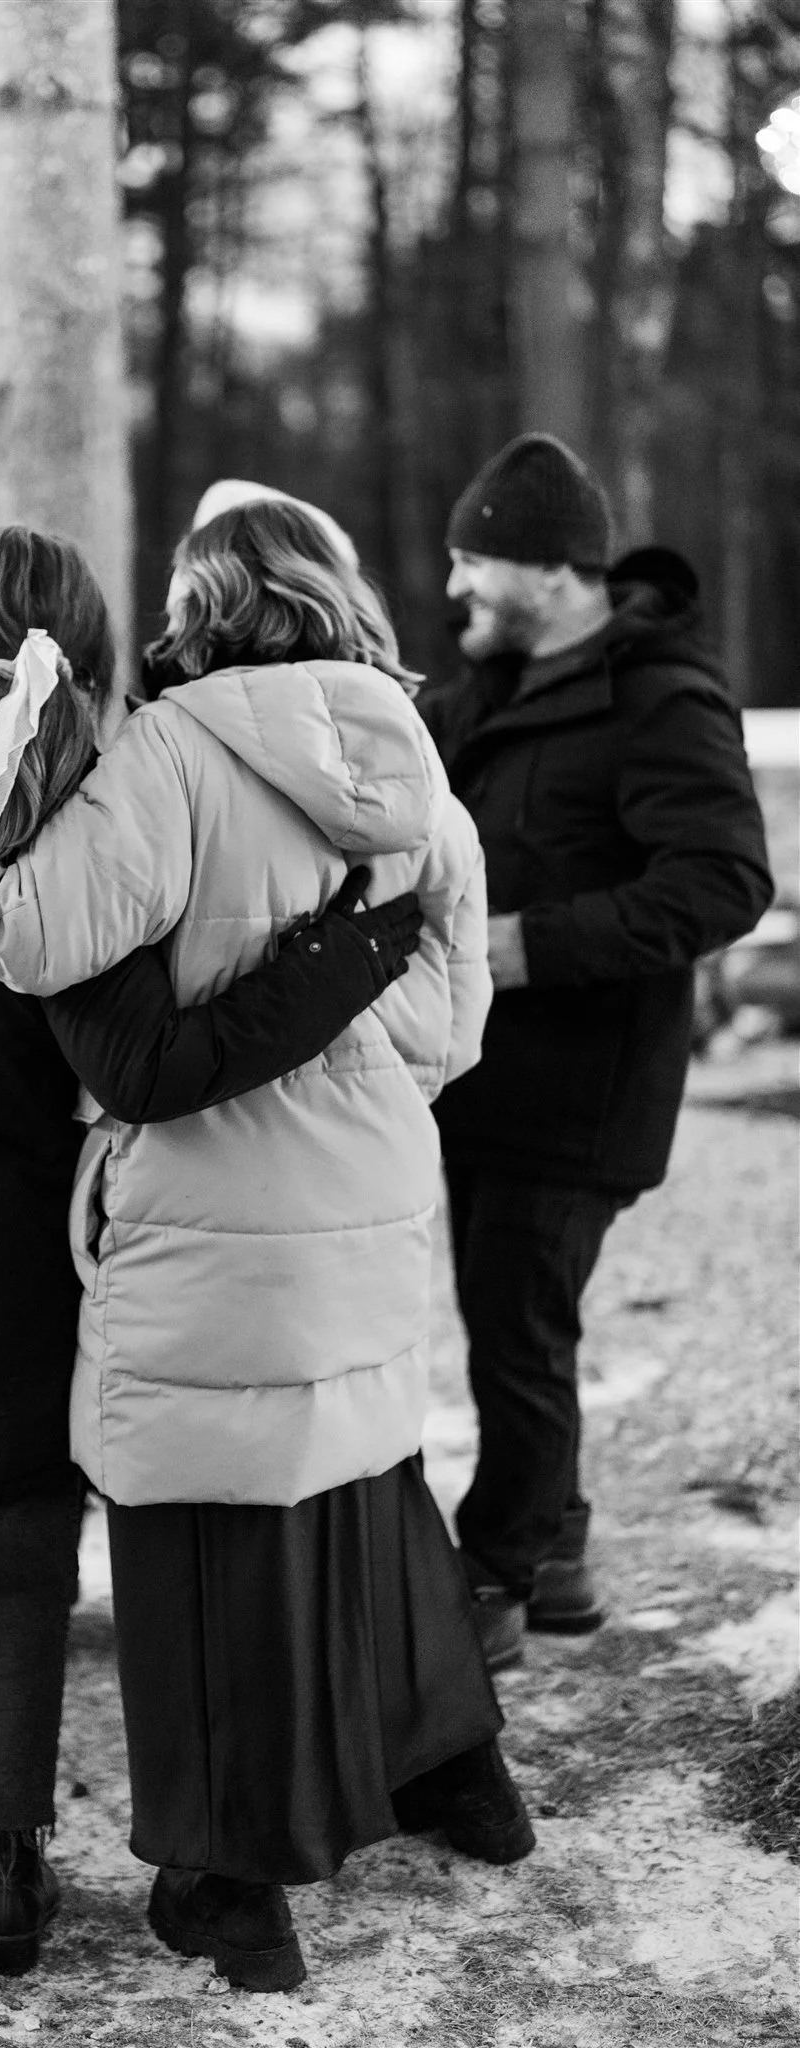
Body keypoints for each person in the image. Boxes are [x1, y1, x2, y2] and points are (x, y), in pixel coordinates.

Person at [0, 499, 534, 1994]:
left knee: (198, 1554)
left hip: (210, 1214)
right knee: (349, 1487)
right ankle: (450, 1769)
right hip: (371, 1198)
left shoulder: (175, 757)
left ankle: (227, 1885)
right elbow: (449, 1031)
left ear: (204, 610)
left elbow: (28, 937)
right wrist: (321, 1018)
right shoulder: (413, 761)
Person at [419, 432, 773, 1670]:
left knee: (515, 1328)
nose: (455, 584)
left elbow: (724, 881)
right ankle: (557, 1550)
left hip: (581, 1086)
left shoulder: (657, 696)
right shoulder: (480, 694)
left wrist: (527, 945)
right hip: (483, 1078)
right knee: (516, 1318)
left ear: (546, 568)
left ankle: (499, 1574)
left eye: (473, 560)